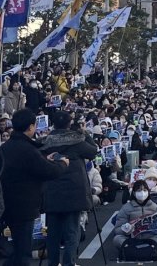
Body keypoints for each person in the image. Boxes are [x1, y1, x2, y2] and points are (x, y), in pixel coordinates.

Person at [0, 109, 69, 266]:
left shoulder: (5, 147)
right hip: (25, 206)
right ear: (31, 127)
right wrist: (62, 164)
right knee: (23, 251)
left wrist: (45, 159)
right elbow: (48, 171)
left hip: (6, 203)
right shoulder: (28, 150)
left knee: (17, 248)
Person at [40, 110, 99, 266]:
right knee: (72, 230)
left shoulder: (46, 141)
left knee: (52, 231)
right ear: (69, 123)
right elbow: (93, 151)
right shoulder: (77, 140)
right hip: (74, 191)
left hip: (52, 189)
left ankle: (52, 263)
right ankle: (69, 262)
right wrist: (85, 133)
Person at [112, 179, 157, 251]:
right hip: (131, 238)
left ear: (148, 192)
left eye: (145, 190)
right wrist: (126, 228)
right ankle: (148, 248)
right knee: (117, 239)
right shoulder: (126, 208)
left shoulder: (154, 207)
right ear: (134, 192)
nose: (142, 193)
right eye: (139, 190)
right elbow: (117, 230)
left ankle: (134, 249)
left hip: (149, 238)